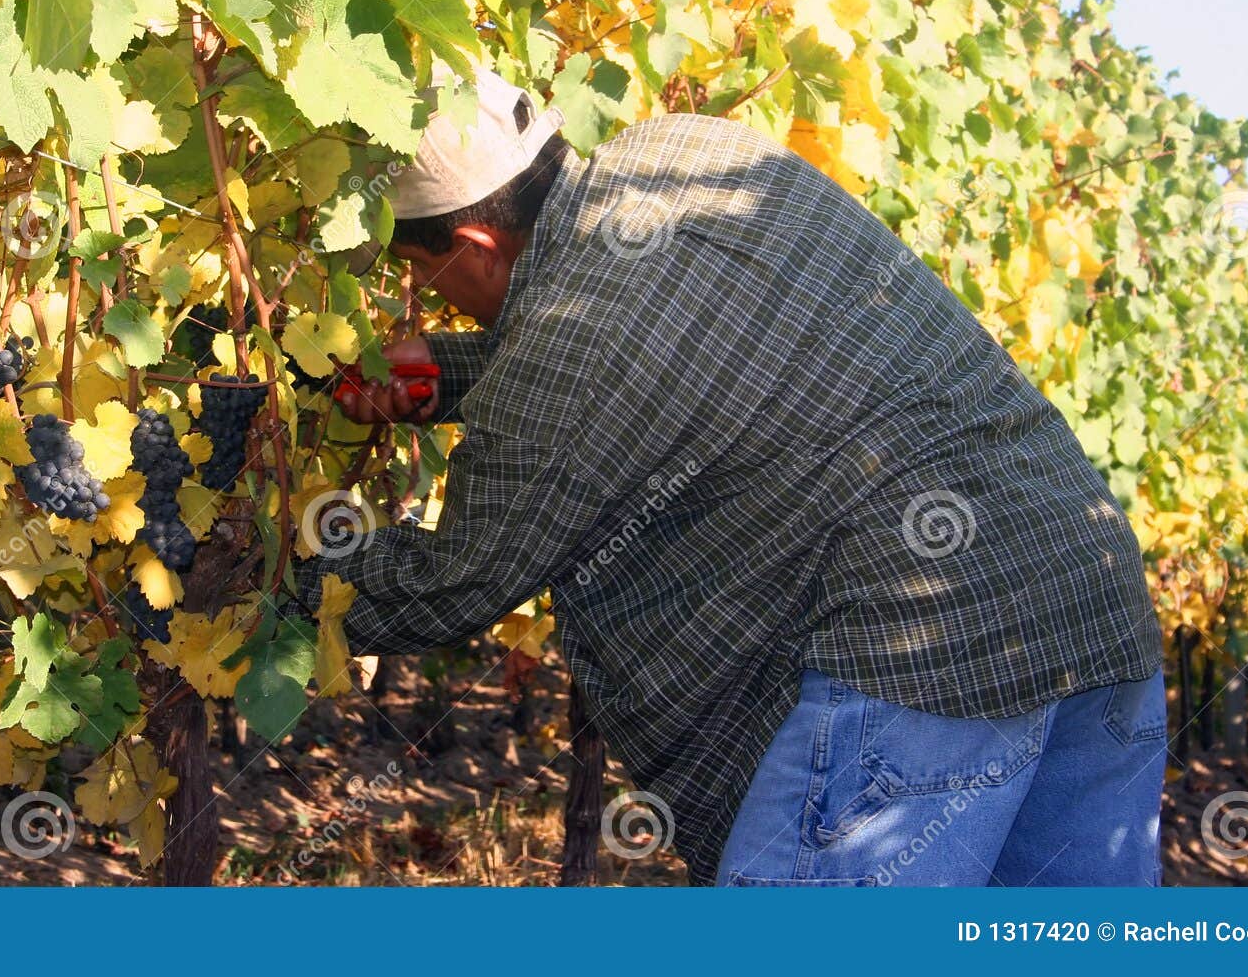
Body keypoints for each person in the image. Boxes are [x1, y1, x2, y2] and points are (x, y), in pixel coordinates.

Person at [297, 64, 1167, 887]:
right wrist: (440, 373)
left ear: (477, 243)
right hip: (1087, 593)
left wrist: (250, 577)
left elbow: (454, 581)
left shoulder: (573, 341)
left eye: (423, 270)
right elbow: (654, 354)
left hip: (928, 656)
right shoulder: (683, 151)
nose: (430, 292)